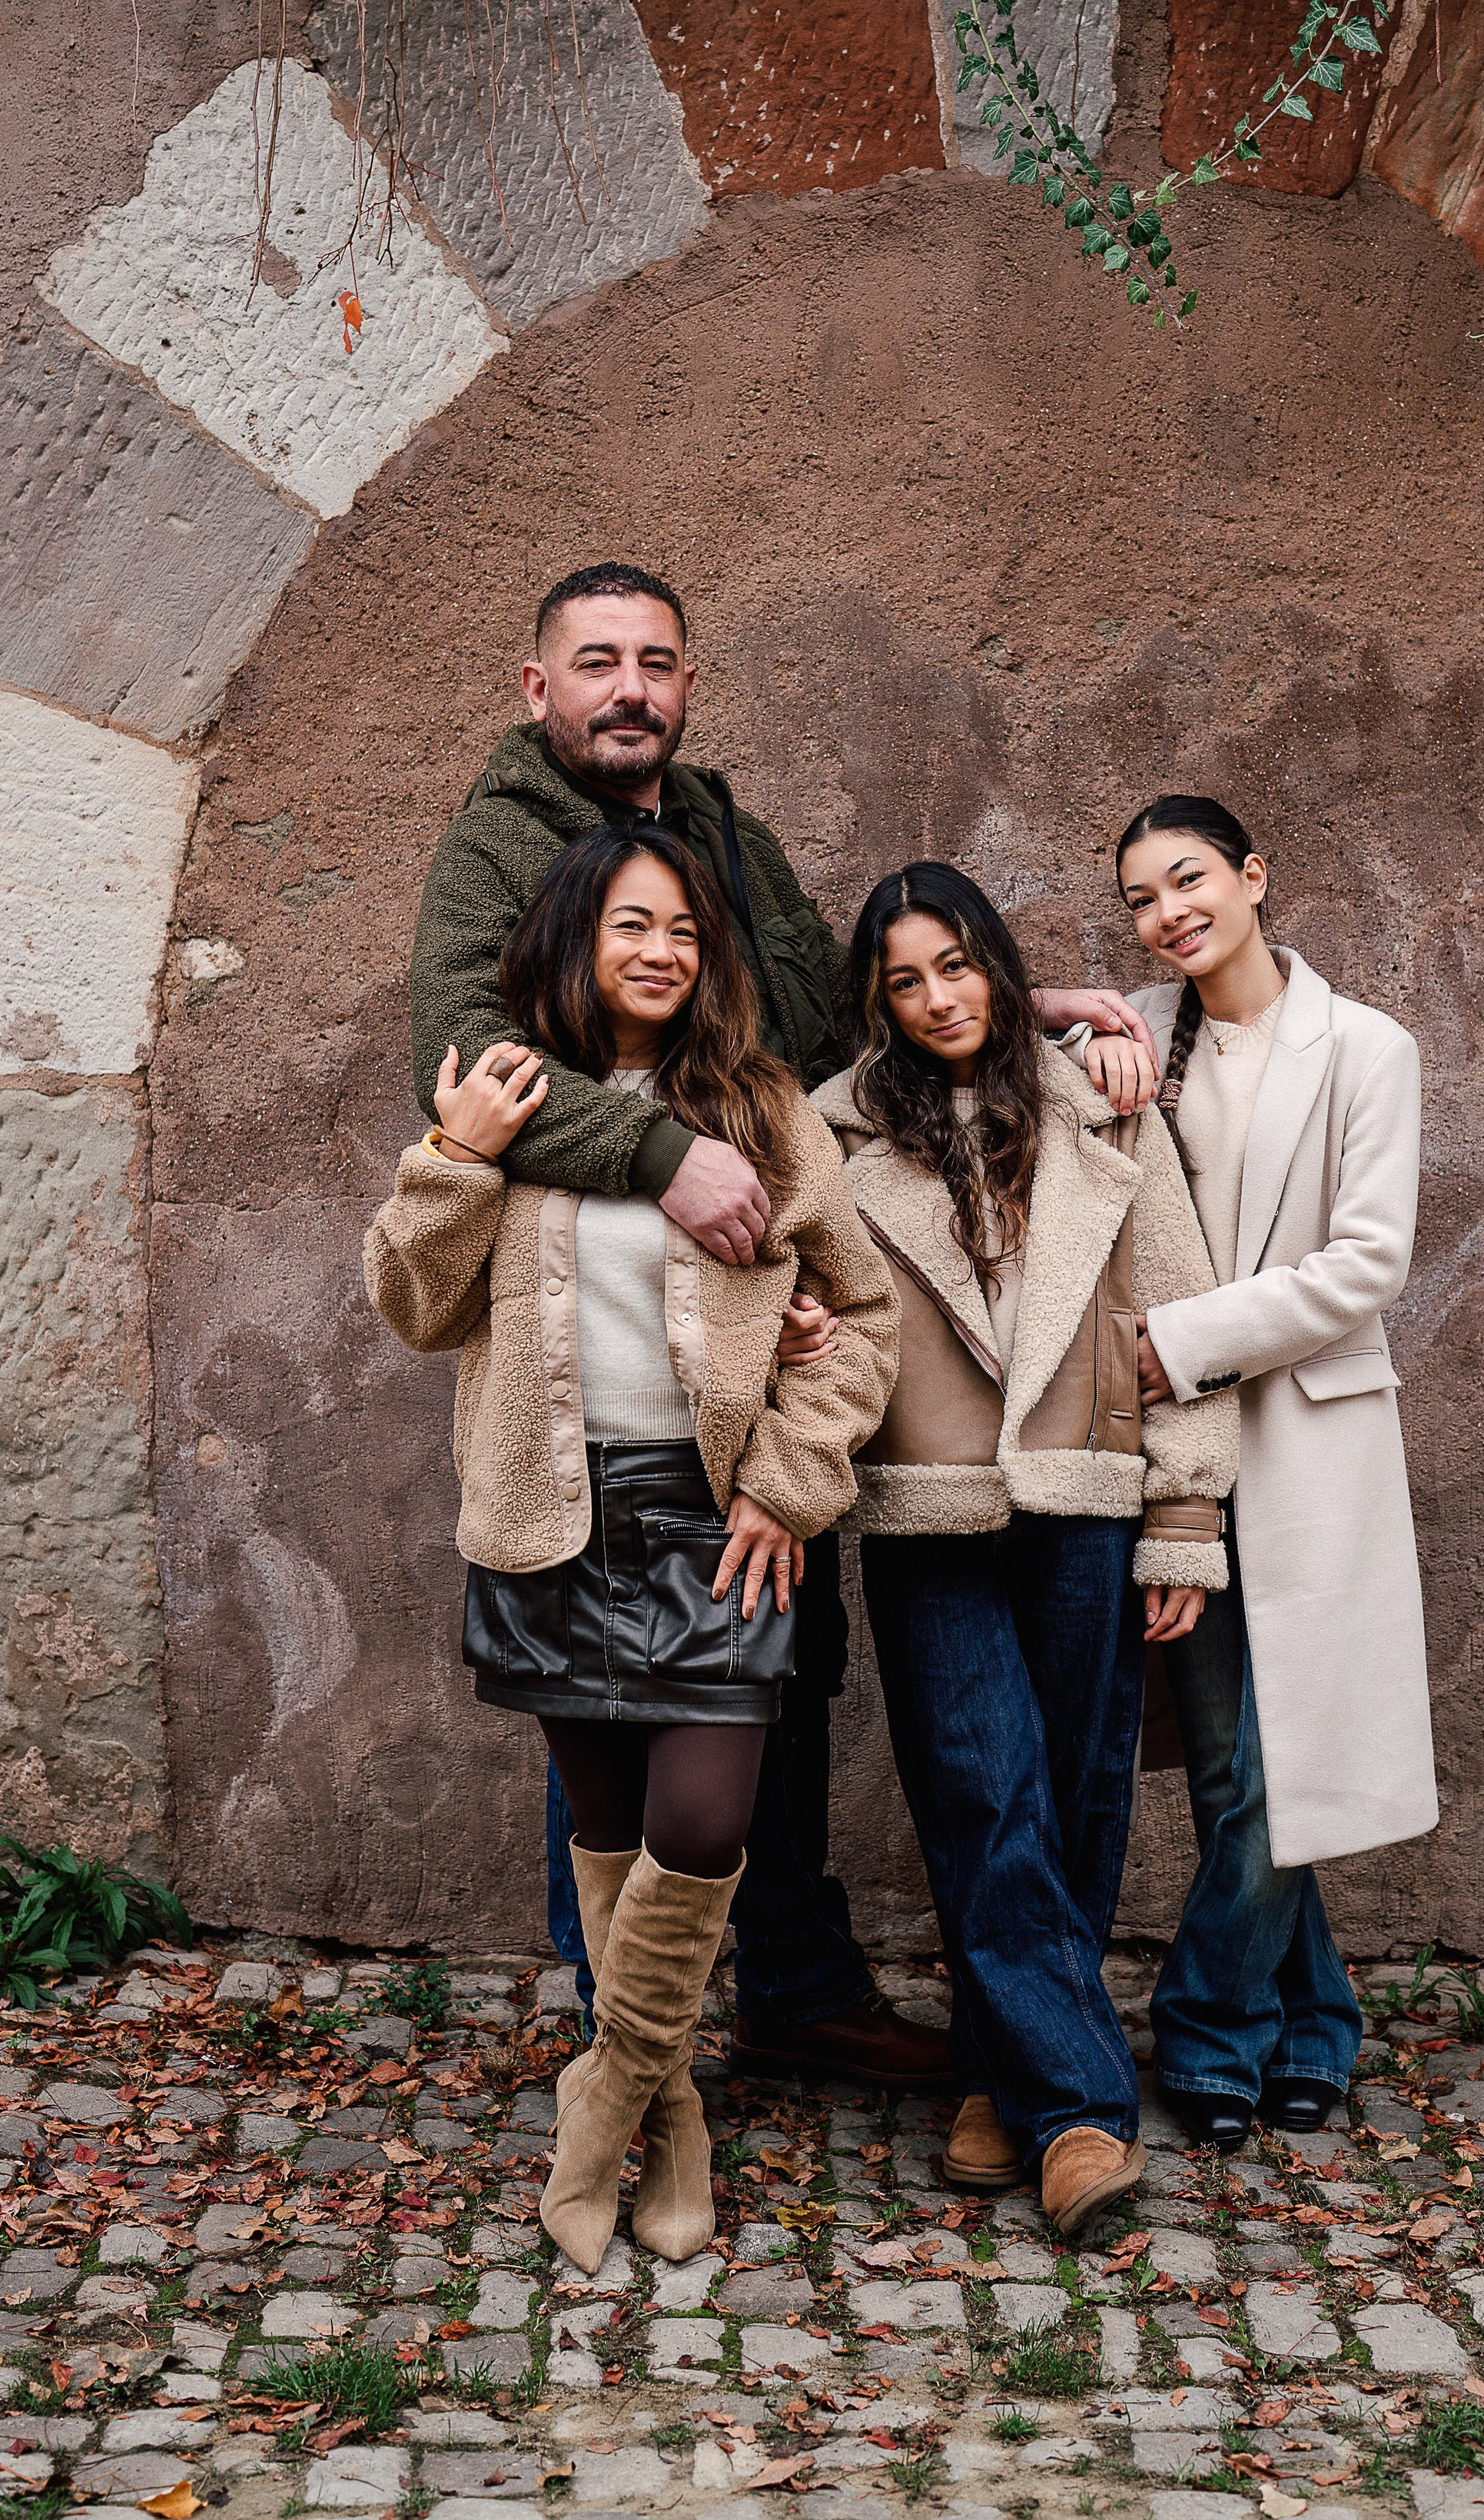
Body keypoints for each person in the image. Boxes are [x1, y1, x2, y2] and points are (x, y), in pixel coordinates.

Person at [408, 557, 1162, 2083]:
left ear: (685, 687)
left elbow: (826, 1026)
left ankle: (798, 1984)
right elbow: (462, 1054)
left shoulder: (719, 834)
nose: (632, 687)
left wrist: (1003, 1013)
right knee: (606, 1704)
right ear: (534, 686)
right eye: (598, 660)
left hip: (748, 1336)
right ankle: (630, 2046)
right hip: (593, 1350)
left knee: (774, 1663)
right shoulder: (497, 846)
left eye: (658, 662)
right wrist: (658, 1156)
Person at [366, 827, 898, 2270]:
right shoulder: (512, 1101)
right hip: (548, 1512)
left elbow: (862, 1322)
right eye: (628, 925)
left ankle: (598, 2107)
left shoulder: (764, 1112)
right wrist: (452, 1159)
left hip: (709, 1517)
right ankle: (674, 2121)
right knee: (605, 1835)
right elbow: (415, 1307)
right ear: (574, 943)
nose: (660, 950)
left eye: (683, 928)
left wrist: (787, 1488)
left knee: (707, 1822)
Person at [812, 864, 1240, 2243]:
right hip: (925, 1505)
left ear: (999, 967)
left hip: (1090, 1490)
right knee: (982, 1791)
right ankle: (1080, 2117)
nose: (938, 997)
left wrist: (1184, 1516)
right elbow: (795, 1288)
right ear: (875, 1002)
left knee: (1076, 1792)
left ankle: (1003, 2073)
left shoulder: (1104, 1110)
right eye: (905, 978)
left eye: (957, 964)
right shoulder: (836, 1134)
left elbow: (1181, 1304)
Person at [1117, 796, 1438, 2150]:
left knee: (1267, 1764)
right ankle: (1313, 2024)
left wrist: (1175, 1341)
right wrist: (1094, 997)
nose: (1170, 912)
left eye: (1189, 878)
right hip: (1181, 1457)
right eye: (1140, 897)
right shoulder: (1133, 1031)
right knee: (1230, 1769)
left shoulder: (1366, 1046)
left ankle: (1202, 2025)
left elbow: (1367, 1261)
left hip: (1307, 1435)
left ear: (1253, 875)